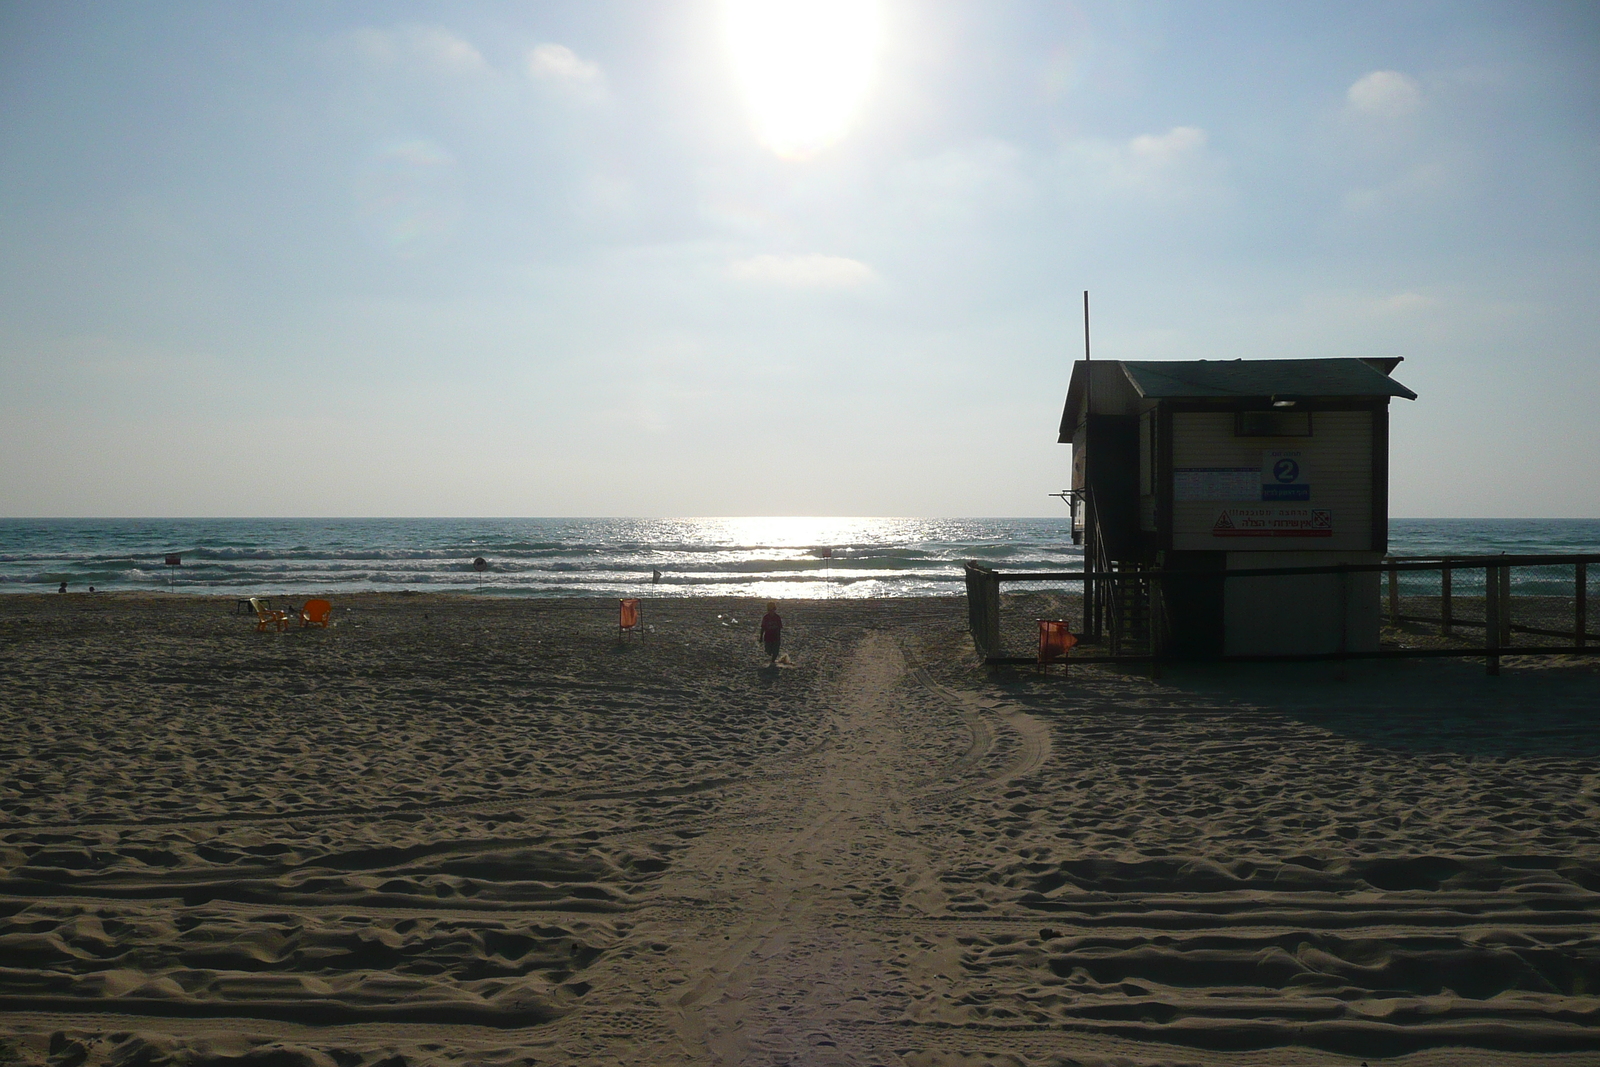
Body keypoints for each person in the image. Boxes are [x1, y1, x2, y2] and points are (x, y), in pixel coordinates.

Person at [759, 601, 782, 666]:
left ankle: (773, 661)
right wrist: (761, 637)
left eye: (772, 609)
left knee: (776, 651)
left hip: (775, 636)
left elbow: (779, 627)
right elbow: (762, 627)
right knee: (768, 650)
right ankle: (772, 657)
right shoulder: (766, 617)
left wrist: (778, 637)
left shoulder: (777, 617)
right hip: (768, 636)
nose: (771, 611)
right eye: (769, 610)